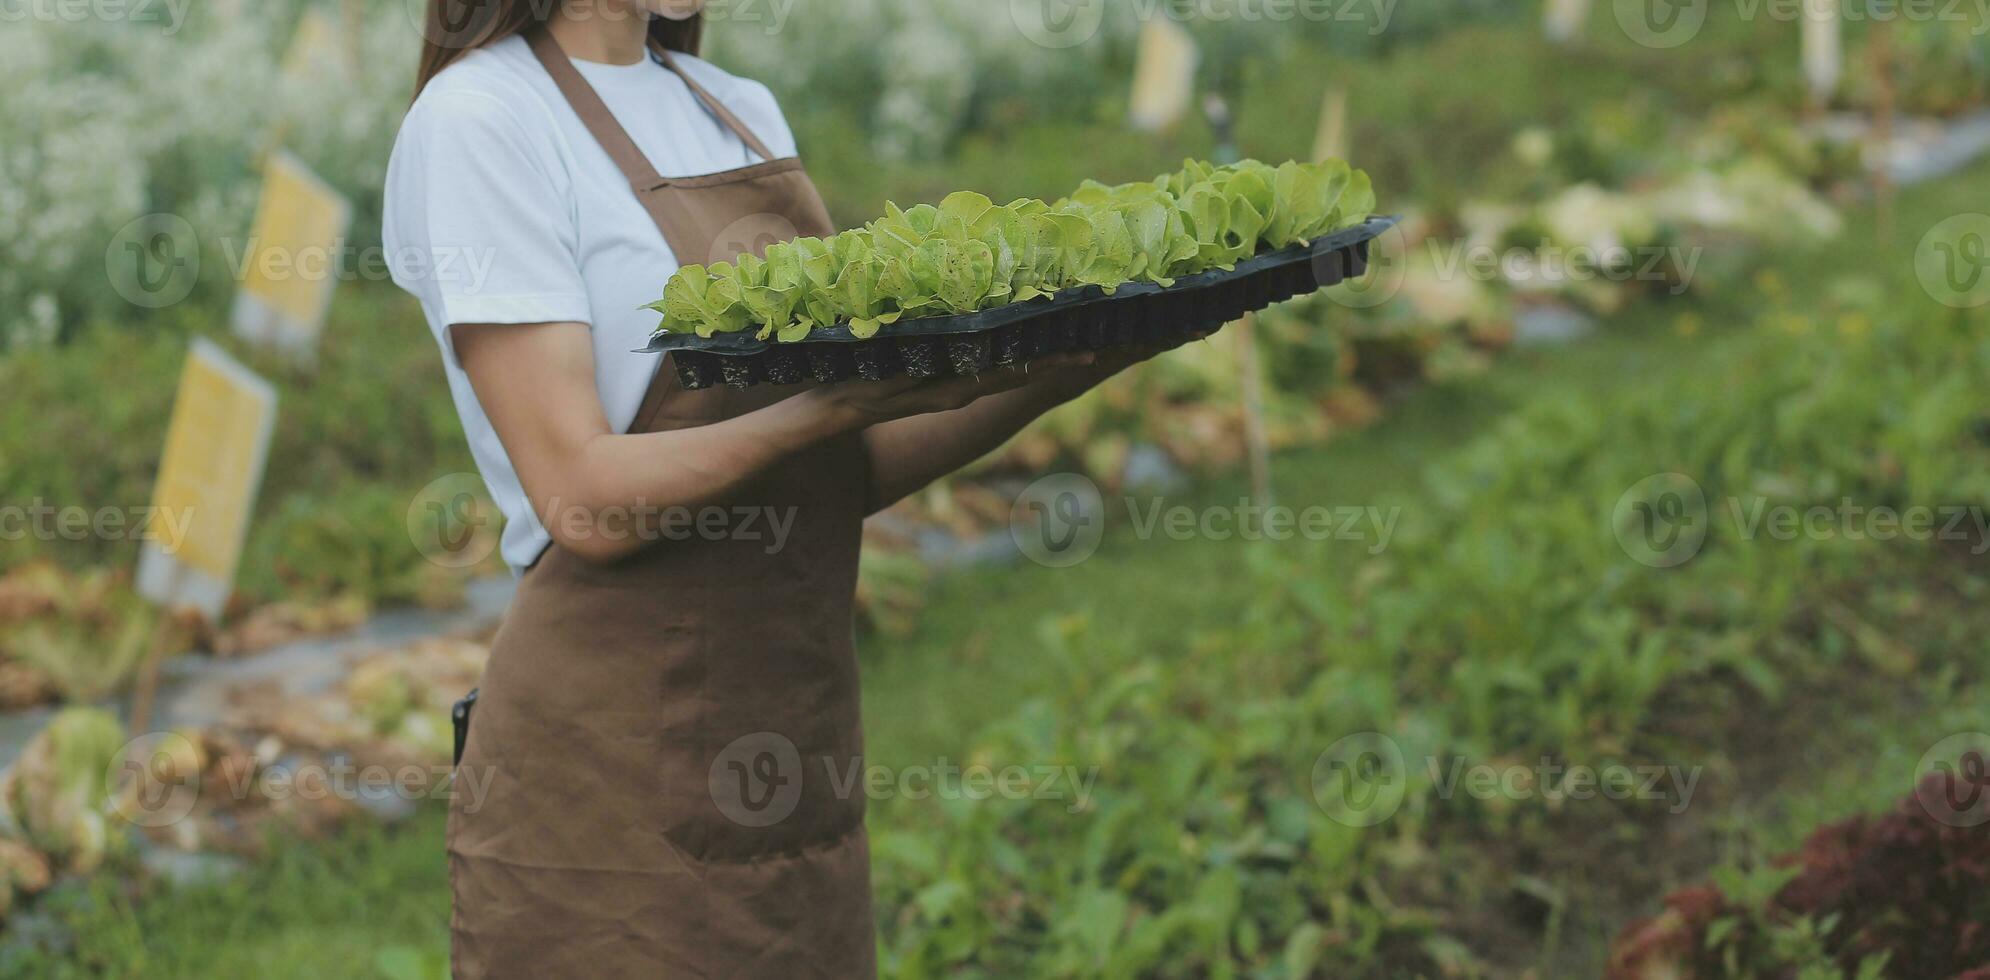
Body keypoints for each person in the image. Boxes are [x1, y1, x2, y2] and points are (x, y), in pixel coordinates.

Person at [384, 1, 1184, 975]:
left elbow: (840, 468)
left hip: (790, 744)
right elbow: (582, 495)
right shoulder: (483, 121)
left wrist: (1082, 350)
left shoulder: (732, 108)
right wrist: (826, 408)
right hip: (608, 772)